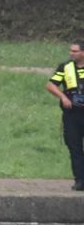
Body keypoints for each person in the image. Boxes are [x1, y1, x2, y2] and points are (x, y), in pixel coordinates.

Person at [45, 41, 84, 191]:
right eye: (71, 51)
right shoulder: (65, 67)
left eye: (75, 51)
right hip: (72, 114)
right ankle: (80, 180)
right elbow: (50, 85)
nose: (71, 53)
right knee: (75, 148)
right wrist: (63, 97)